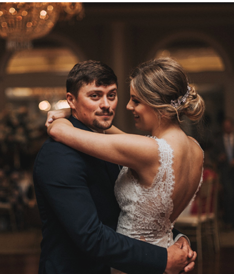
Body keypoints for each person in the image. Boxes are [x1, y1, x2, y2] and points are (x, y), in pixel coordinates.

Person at [34, 59, 198, 274]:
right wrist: (163, 259)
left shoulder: (112, 146)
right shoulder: (58, 155)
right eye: (95, 96)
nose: (106, 104)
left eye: (111, 95)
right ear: (71, 100)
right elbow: (90, 237)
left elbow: (134, 209)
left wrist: (175, 238)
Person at [212, 117, 234, 231]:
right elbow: (213, 155)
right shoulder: (218, 141)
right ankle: (227, 221)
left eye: (229, 126)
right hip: (225, 173)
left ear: (233, 126)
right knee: (228, 197)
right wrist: (219, 158)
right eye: (225, 126)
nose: (227, 128)